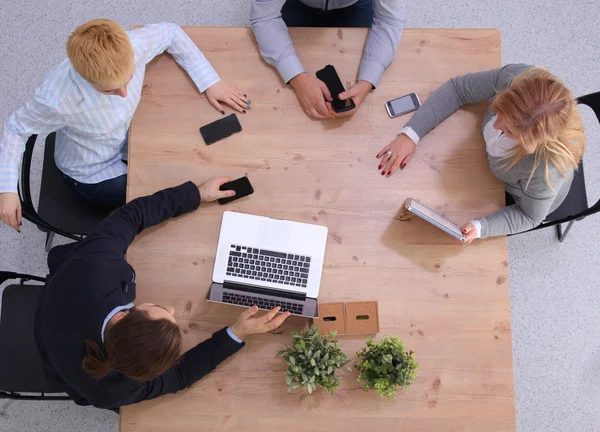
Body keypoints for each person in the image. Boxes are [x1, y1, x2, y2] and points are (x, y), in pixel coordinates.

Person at [35, 176, 290, 410]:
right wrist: (238, 332)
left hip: (58, 305)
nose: (171, 310)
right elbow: (179, 376)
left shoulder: (97, 266)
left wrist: (197, 194)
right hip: (55, 337)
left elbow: (130, 216)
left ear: (123, 317)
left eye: (161, 311)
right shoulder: (117, 391)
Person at [0, 19, 252, 231]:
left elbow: (172, 32)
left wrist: (210, 81)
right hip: (91, 173)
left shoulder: (134, 45)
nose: (123, 93)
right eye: (110, 90)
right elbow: (15, 128)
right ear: (87, 79)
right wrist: (7, 189)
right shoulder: (56, 99)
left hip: (122, 139)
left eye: (129, 79)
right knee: (166, 195)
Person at [376, 64, 586, 242]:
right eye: (499, 110)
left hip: (520, 194)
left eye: (508, 131)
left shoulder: (545, 171)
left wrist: (482, 228)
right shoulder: (519, 79)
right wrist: (411, 134)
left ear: (531, 143)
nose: (496, 124)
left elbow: (530, 216)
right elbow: (458, 89)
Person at [250, 0, 406, 119]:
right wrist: (298, 79)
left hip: (354, 6)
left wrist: (367, 81)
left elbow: (389, 21)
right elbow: (265, 18)